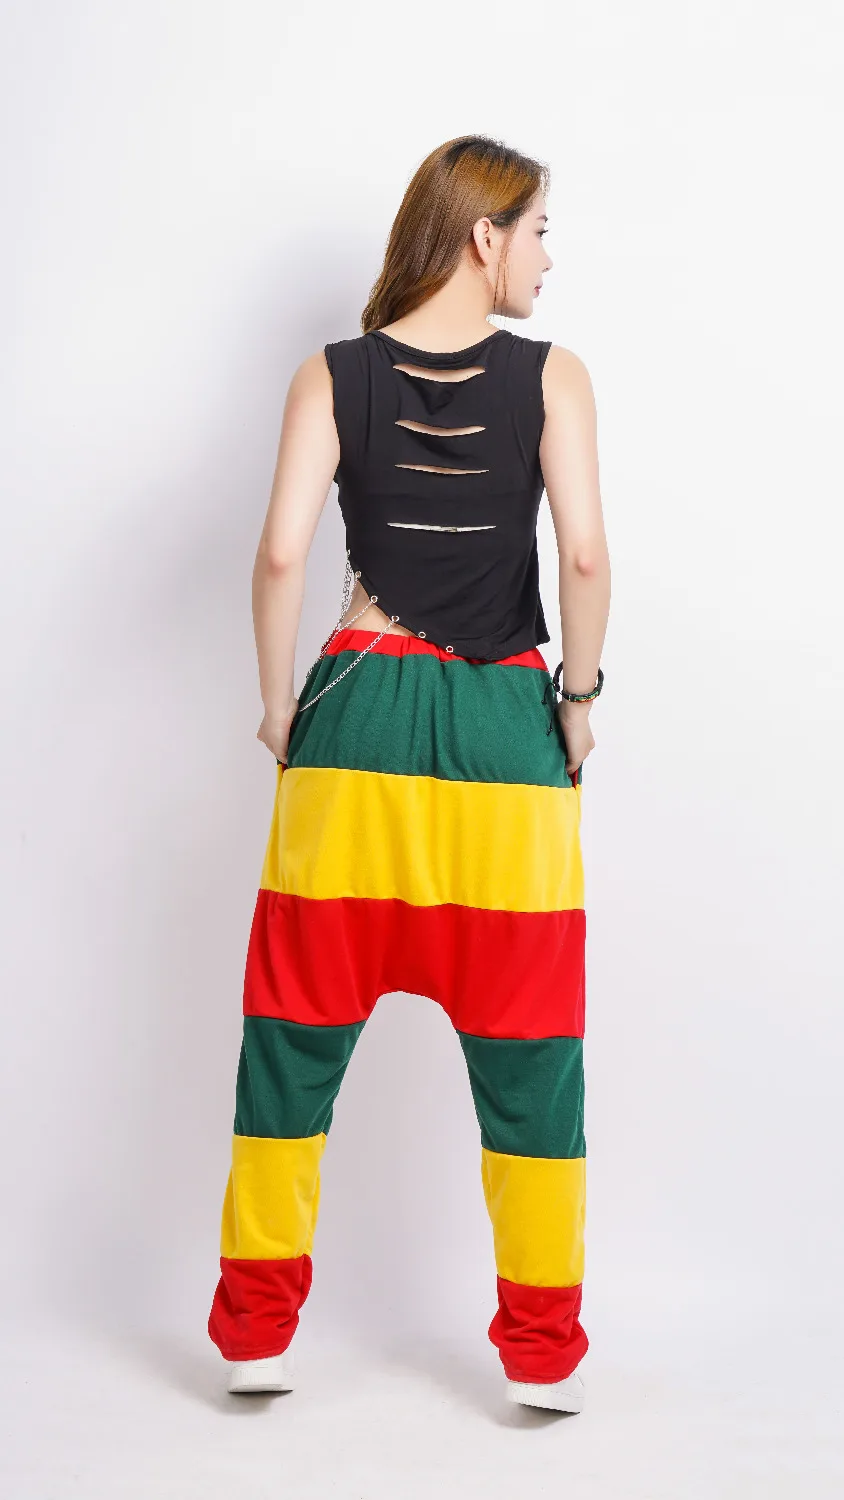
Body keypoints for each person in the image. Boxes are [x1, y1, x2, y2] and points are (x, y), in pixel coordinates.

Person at [207, 134, 611, 1414]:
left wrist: (280, 707)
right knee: (533, 1055)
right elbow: (585, 558)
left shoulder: (331, 375)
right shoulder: (555, 378)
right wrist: (577, 704)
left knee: (291, 1041)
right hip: (504, 732)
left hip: (356, 712)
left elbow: (282, 556)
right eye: (537, 230)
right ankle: (542, 1353)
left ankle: (254, 1336)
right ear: (484, 235)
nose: (547, 256)